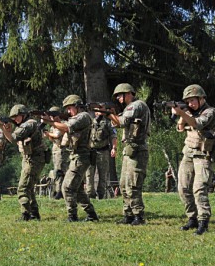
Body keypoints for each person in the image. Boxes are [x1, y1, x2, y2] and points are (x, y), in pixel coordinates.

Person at [172, 85, 215, 235]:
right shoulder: (189, 113)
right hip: (189, 154)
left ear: (201, 98)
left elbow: (197, 123)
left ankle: (203, 221)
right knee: (183, 187)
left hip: (203, 155)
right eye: (188, 101)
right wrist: (182, 114)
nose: (191, 104)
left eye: (193, 100)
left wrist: (183, 113)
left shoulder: (210, 112)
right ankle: (192, 218)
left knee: (199, 189)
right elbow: (179, 129)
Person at [42, 95, 98, 222]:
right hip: (77, 156)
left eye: (70, 108)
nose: (68, 111)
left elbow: (67, 128)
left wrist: (50, 122)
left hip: (81, 157)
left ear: (77, 107)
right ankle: (91, 214)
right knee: (77, 189)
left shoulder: (83, 116)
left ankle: (72, 216)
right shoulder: (76, 117)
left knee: (67, 187)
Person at [107, 83, 151, 225]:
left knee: (133, 184)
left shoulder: (137, 105)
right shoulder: (128, 108)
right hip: (129, 149)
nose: (119, 98)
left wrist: (109, 113)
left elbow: (122, 122)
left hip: (137, 150)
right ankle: (128, 214)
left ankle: (138, 215)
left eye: (120, 95)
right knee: (123, 184)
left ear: (129, 93)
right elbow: (119, 122)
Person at [0, 105, 45, 221]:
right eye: (12, 118)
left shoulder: (29, 124)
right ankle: (34, 213)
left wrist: (2, 127)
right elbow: (11, 139)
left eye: (16, 117)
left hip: (34, 159)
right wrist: (5, 129)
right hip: (29, 158)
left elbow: (13, 138)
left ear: (23, 115)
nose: (15, 120)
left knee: (23, 188)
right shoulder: (25, 124)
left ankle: (25, 214)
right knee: (29, 187)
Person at [86, 111, 117, 199]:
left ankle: (101, 194)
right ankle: (90, 194)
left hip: (103, 151)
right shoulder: (90, 122)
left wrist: (114, 148)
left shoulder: (107, 123)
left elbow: (113, 135)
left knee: (103, 174)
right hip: (91, 151)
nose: (98, 113)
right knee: (89, 174)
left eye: (100, 110)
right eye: (96, 111)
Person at [44, 107, 70, 200]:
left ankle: (60, 191)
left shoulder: (62, 124)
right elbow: (52, 139)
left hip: (61, 151)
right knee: (56, 171)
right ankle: (57, 190)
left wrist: (48, 134)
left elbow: (57, 135)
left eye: (53, 115)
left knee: (60, 171)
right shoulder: (53, 126)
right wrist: (48, 135)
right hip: (55, 150)